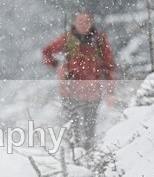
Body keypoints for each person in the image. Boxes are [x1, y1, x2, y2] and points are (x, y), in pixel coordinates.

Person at [42, 10, 115, 151]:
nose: (83, 25)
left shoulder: (99, 40)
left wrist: (110, 92)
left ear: (92, 22)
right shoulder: (66, 39)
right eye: (80, 21)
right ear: (74, 23)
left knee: (89, 129)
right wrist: (56, 65)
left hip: (93, 91)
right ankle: (73, 159)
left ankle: (88, 157)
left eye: (87, 21)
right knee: (72, 128)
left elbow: (108, 65)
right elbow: (46, 52)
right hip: (70, 90)